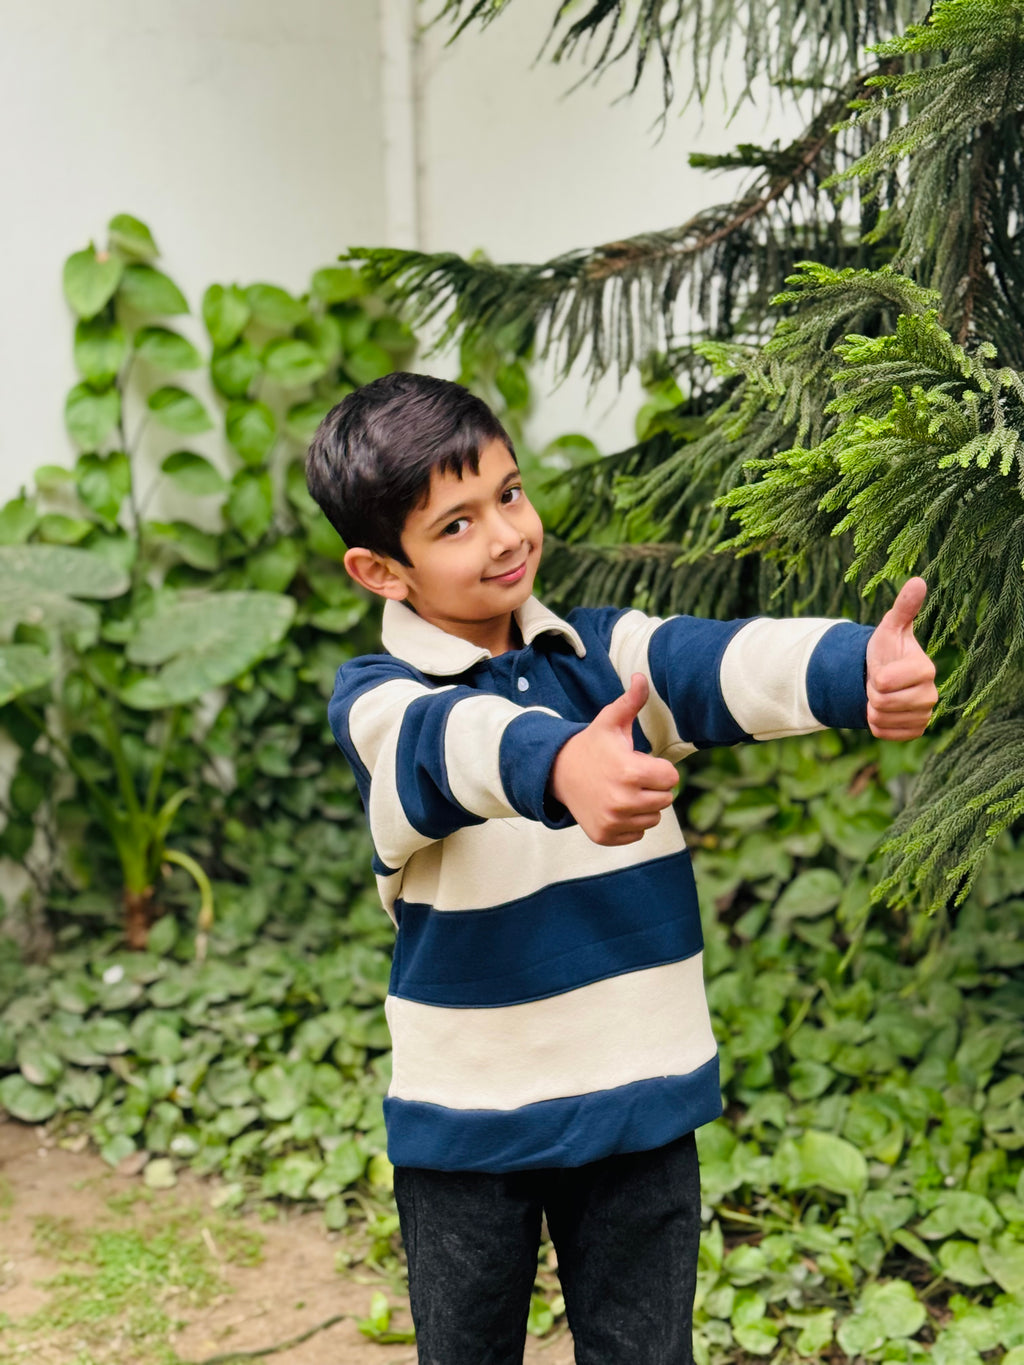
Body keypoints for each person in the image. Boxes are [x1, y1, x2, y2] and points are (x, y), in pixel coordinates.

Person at [305, 371, 937, 1365]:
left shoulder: (602, 654)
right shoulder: (378, 702)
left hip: (637, 1094)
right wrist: (563, 761)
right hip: (468, 1126)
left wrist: (856, 669)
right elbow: (452, 744)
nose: (507, 535)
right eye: (456, 524)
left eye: (509, 494)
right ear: (381, 571)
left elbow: (716, 663)